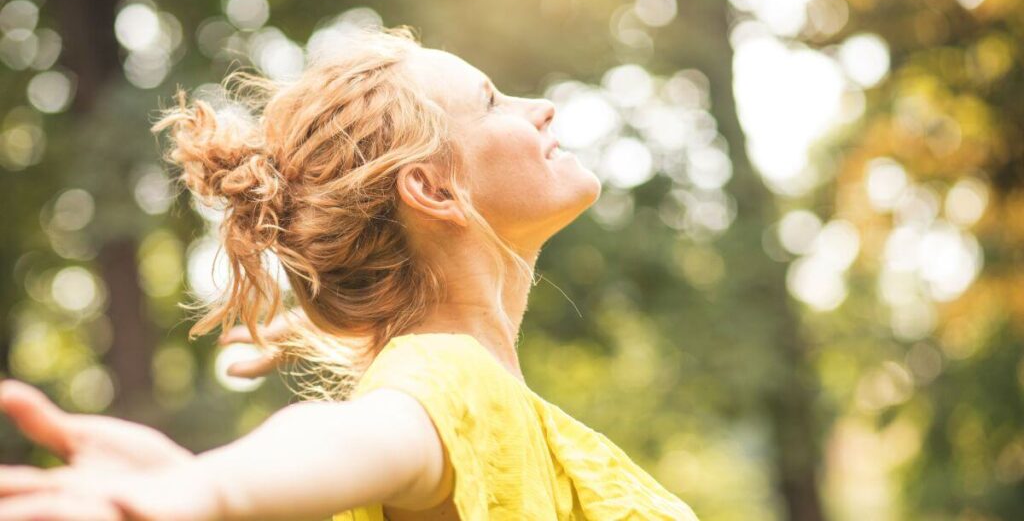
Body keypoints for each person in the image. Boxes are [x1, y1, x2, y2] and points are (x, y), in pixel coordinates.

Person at [0, 25, 699, 520]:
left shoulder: (474, 392)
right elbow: (357, 436)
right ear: (432, 189)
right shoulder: (449, 379)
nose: (540, 107)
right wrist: (208, 488)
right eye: (492, 102)